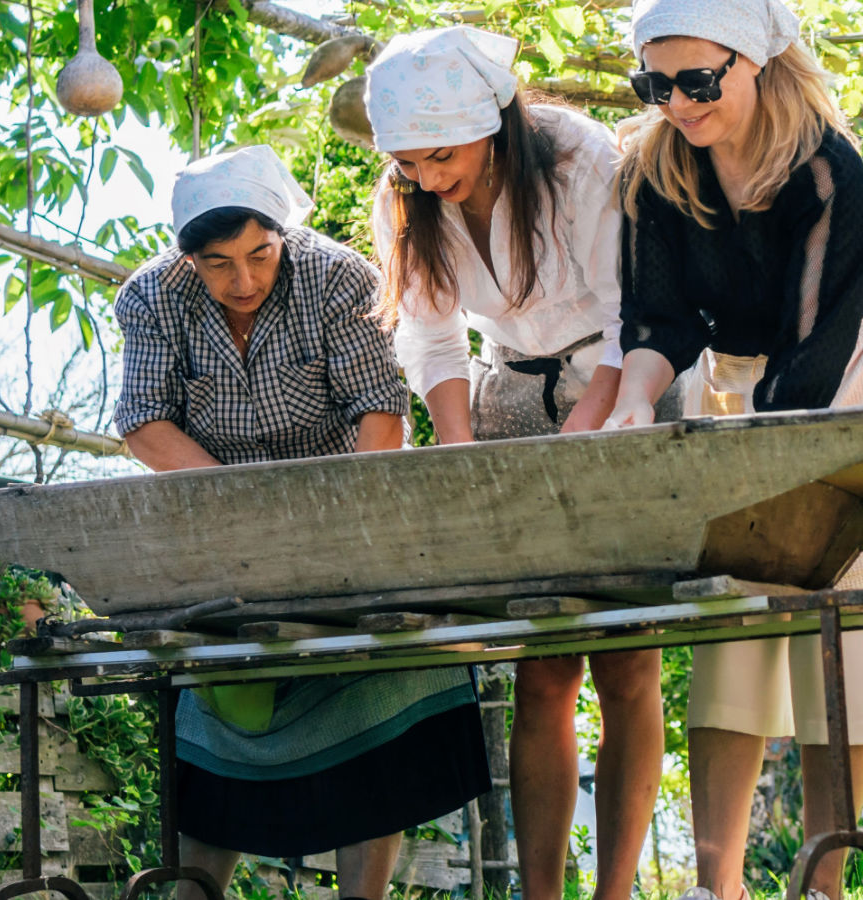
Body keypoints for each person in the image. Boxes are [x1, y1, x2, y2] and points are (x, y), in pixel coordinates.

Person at [113, 145, 491, 900]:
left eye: (259, 254)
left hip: (346, 524)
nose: (243, 280)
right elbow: (143, 423)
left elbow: (381, 413)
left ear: (283, 234)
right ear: (187, 259)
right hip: (223, 538)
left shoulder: (337, 275)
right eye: (218, 265)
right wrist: (243, 510)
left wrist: (329, 528)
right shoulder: (150, 298)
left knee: (375, 701)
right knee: (220, 733)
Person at [363, 26, 680, 900]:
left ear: (492, 121)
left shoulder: (574, 155)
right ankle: (541, 894)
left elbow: (632, 311)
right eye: (409, 163)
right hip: (509, 393)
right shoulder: (408, 195)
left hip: (624, 382)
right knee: (543, 666)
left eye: (441, 155)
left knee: (627, 657)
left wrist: (585, 437)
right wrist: (460, 453)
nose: (427, 178)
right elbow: (431, 336)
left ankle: (613, 892)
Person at [604, 1, 863, 898]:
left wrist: (765, 456)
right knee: (733, 632)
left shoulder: (830, 172)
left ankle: (825, 880)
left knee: (836, 630)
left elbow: (816, 341)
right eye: (654, 83)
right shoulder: (650, 169)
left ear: (752, 62)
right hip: (728, 386)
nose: (674, 104)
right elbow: (655, 320)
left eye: (696, 81)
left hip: (842, 388)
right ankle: (721, 888)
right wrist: (637, 398)